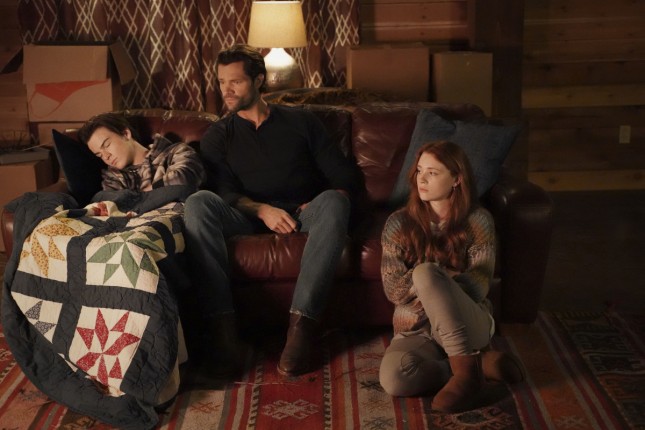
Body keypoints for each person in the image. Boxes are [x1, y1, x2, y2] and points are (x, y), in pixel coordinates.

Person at [184, 44, 357, 377]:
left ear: (258, 80)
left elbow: (343, 175)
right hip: (244, 217)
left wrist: (321, 199)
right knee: (198, 202)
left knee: (336, 201)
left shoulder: (301, 122)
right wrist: (261, 209)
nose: (226, 90)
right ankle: (224, 337)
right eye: (221, 82)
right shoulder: (218, 135)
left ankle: (300, 332)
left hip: (301, 214)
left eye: (235, 82)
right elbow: (222, 192)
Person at [379, 140, 524, 413]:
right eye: (419, 170)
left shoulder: (478, 220)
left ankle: (468, 380)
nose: (422, 179)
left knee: (425, 272)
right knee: (394, 380)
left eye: (432, 172)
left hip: (468, 322)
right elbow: (393, 289)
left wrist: (432, 279)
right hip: (417, 328)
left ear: (456, 179)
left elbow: (479, 286)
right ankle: (478, 365)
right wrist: (440, 278)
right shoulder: (398, 223)